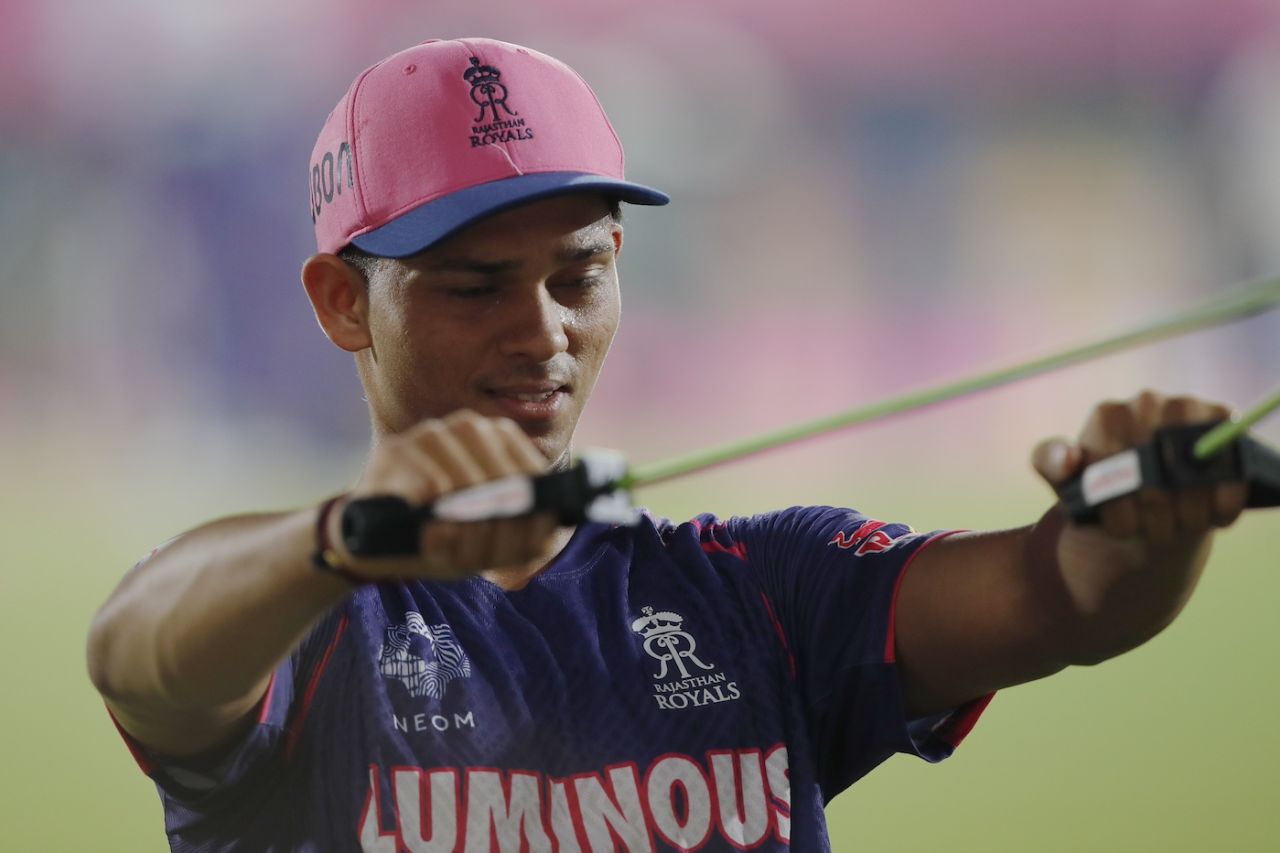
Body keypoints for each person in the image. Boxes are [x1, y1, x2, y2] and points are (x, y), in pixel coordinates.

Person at [87, 38, 1247, 852]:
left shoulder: (763, 587)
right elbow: (138, 653)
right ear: (343, 302)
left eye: (577, 275)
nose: (541, 330)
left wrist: (1141, 531)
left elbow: (1059, 594)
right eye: (475, 285)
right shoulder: (302, 613)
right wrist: (343, 541)